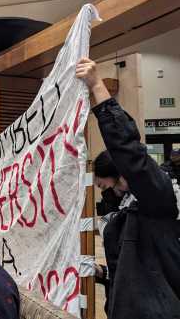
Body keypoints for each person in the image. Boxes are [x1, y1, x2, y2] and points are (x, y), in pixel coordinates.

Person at [76, 57, 180, 318]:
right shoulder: (122, 206)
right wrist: (101, 272)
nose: (103, 190)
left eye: (103, 183)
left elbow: (130, 151)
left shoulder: (157, 196)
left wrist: (98, 86)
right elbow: (129, 267)